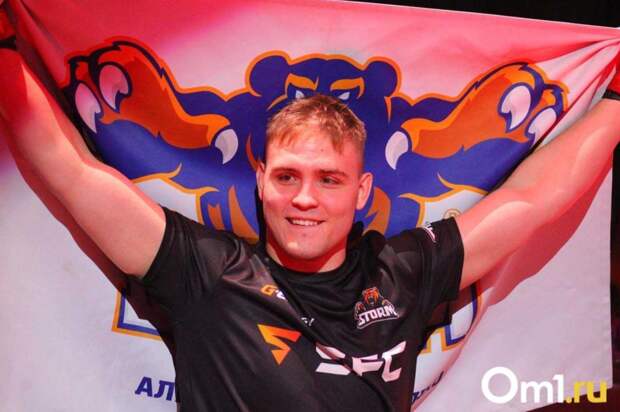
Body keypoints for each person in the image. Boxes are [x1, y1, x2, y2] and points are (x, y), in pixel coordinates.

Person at [1, 12, 619, 411]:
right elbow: (72, 171)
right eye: (288, 176)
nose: (304, 198)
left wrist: (615, 101)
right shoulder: (203, 272)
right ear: (261, 181)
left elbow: (529, 199)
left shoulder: (404, 272)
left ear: (362, 190)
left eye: (329, 180)